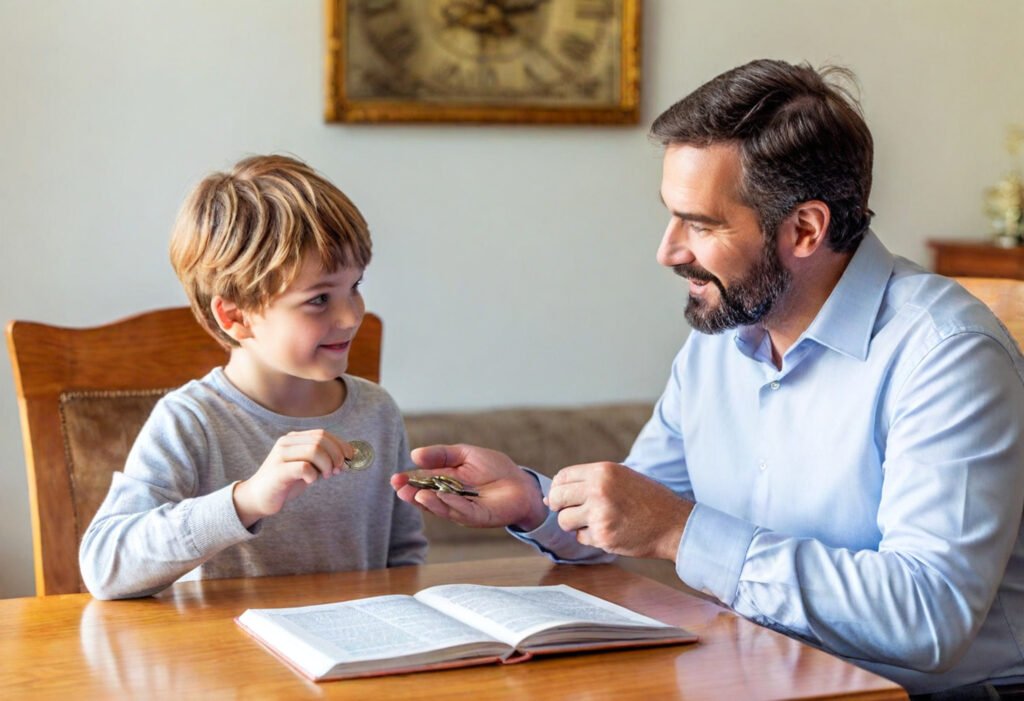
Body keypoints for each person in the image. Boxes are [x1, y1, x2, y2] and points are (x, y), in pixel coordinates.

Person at [392, 60, 1024, 698]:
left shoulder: (947, 354)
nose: (668, 250)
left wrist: (679, 529)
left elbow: (929, 619)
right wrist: (535, 502)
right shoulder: (724, 339)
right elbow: (638, 512)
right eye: (671, 217)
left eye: (701, 223)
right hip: (765, 677)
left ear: (805, 228)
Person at [80, 155, 427, 599]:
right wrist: (245, 500)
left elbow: (404, 559)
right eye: (319, 299)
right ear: (236, 316)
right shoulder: (191, 421)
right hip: (230, 665)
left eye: (355, 286)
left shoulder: (376, 411)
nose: (351, 316)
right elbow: (104, 566)